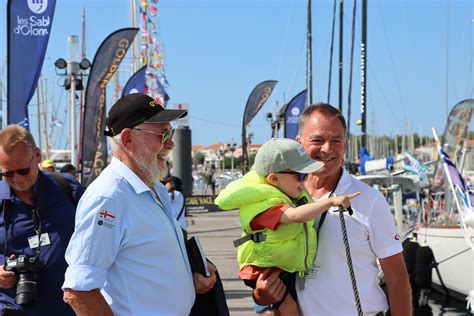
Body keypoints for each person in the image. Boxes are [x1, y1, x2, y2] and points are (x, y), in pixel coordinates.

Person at [62, 93, 217, 315]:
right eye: (163, 134)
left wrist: (190, 274)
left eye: (170, 133)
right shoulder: (109, 197)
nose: (171, 143)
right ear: (127, 139)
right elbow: (79, 290)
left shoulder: (155, 188)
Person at [253, 104, 412, 316]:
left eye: (336, 141)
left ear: (345, 145)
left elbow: (397, 278)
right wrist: (260, 297)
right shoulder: (281, 198)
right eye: (317, 140)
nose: (327, 149)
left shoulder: (370, 200)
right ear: (299, 143)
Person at [215, 138, 359, 315]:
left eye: (306, 176)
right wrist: (331, 202)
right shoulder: (265, 204)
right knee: (289, 309)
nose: (304, 181)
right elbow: (295, 216)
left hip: (280, 268)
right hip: (266, 271)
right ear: (274, 178)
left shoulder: (286, 193)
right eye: (300, 176)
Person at [0, 125, 83, 315]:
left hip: (67, 308)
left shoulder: (66, 188)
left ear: (37, 156)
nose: (17, 179)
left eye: (22, 171)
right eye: (7, 174)